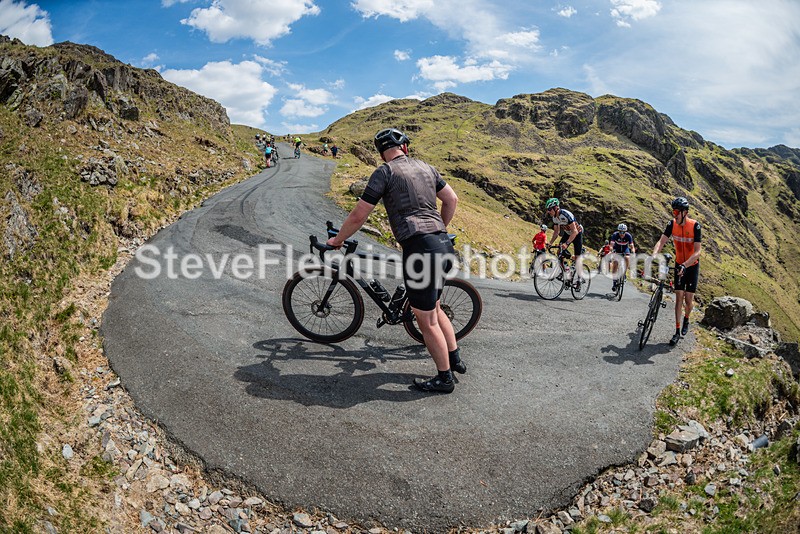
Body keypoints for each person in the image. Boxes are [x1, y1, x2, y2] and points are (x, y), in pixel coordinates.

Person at [326, 128, 463, 394]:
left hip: (421, 248)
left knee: (426, 320)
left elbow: (359, 214)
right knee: (433, 307)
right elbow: (451, 199)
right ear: (405, 148)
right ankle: (455, 358)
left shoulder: (385, 172)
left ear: (381, 152)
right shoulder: (427, 168)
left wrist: (338, 240)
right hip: (443, 246)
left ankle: (444, 379)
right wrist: (438, 230)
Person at [652, 196, 702, 346]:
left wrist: (685, 265)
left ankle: (687, 318)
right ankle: (677, 331)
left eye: (676, 212)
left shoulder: (695, 226)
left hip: (691, 265)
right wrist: (654, 254)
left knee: (688, 300)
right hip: (679, 262)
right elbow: (661, 241)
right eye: (673, 212)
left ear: (684, 212)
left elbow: (697, 252)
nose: (674, 215)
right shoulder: (671, 224)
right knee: (678, 297)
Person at [609, 223, 635, 291]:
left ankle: (624, 273)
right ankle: (614, 282)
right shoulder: (615, 235)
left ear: (625, 232)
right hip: (617, 249)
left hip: (625, 249)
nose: (621, 233)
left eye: (623, 232)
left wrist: (633, 251)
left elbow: (632, 246)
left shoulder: (628, 236)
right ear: (618, 231)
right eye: (620, 231)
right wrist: (611, 250)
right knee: (615, 263)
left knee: (627, 258)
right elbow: (611, 245)